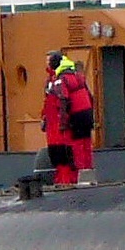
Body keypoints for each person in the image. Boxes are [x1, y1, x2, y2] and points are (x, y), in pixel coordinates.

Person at [42, 51, 98, 185]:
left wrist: (62, 122)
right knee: (86, 144)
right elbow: (90, 97)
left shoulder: (60, 79)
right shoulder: (77, 76)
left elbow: (63, 99)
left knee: (75, 147)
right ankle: (87, 174)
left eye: (49, 61)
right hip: (86, 114)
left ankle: (75, 177)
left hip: (73, 117)